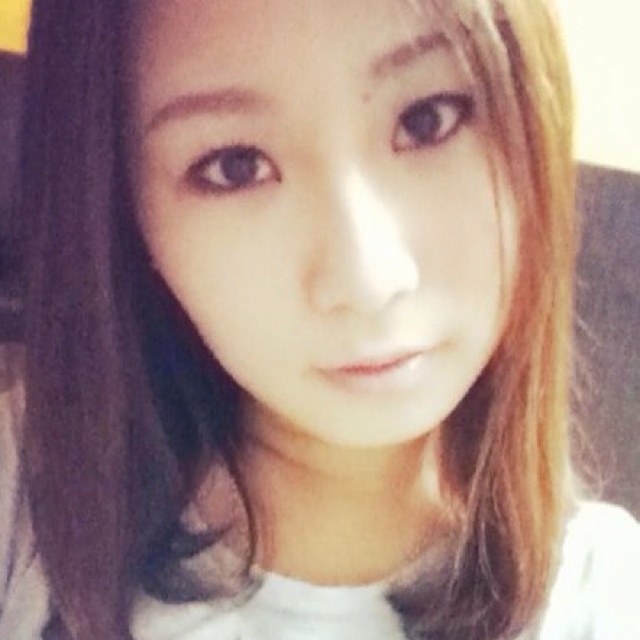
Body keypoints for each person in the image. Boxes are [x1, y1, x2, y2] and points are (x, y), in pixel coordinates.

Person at [1, 0, 639, 638]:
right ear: (122, 213)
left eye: (427, 119)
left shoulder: (605, 601)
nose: (368, 283)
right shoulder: (26, 487)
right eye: (236, 166)